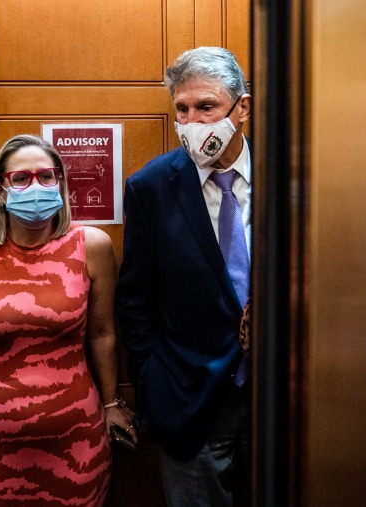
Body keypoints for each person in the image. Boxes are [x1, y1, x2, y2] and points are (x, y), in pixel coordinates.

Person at [0, 134, 137, 506]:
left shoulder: (93, 245)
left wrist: (112, 403)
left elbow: (102, 334)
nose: (35, 186)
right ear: (1, 191)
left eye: (46, 176)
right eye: (21, 178)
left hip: (75, 438)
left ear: (61, 184)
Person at [116, 47, 252, 506]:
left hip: (284, 396)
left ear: (242, 108)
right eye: (182, 108)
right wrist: (151, 384)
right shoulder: (151, 188)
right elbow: (135, 300)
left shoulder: (294, 178)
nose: (192, 121)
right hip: (190, 400)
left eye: (207, 107)